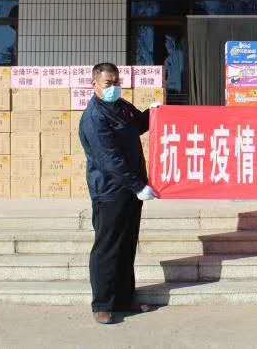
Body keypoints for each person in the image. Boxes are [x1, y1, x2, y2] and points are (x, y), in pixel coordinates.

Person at [79, 62, 159, 325]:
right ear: (94, 84)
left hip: (130, 191)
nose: (113, 87)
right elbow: (109, 160)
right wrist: (138, 186)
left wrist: (155, 113)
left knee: (126, 245)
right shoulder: (94, 117)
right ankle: (102, 304)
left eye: (116, 82)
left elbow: (138, 125)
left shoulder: (120, 106)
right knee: (108, 248)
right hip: (109, 192)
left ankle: (124, 300)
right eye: (108, 83)